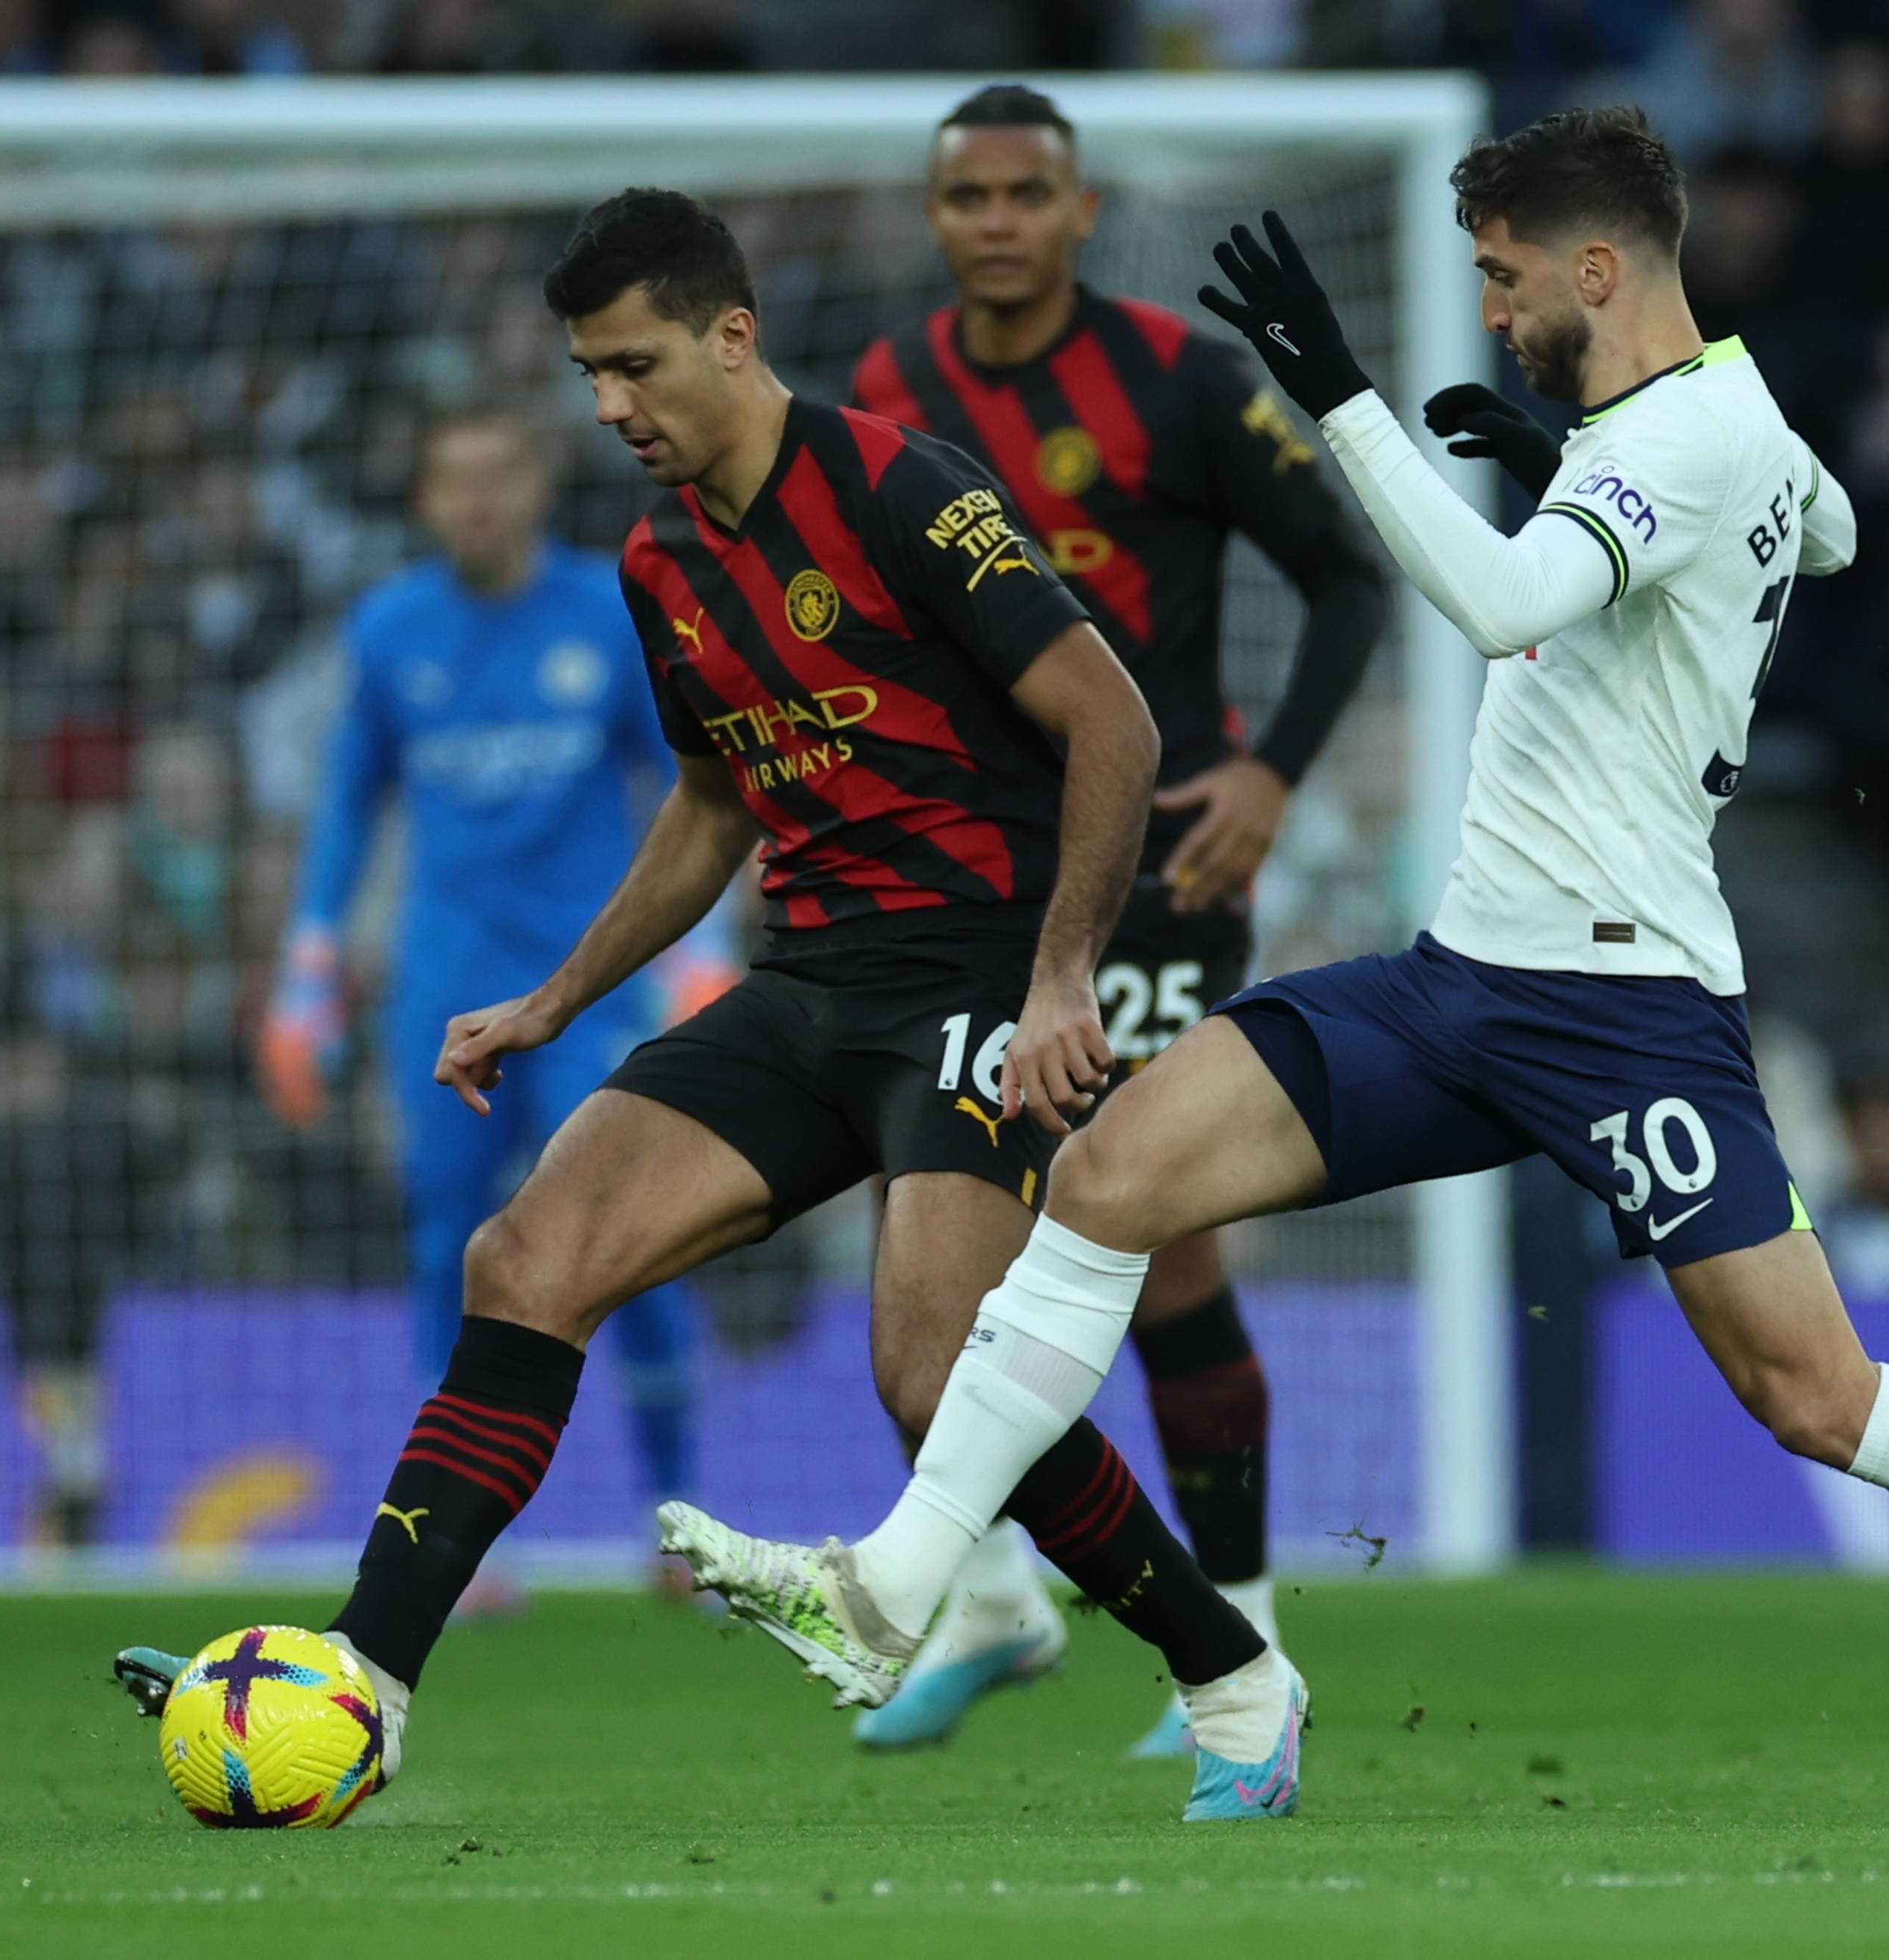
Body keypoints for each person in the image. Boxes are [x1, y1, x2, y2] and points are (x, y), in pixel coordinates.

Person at [672, 107, 1889, 1824]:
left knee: (1813, 1392)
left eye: (1500, 274)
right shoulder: (1730, 420)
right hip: (1463, 979)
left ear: (1596, 267)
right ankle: (900, 1586)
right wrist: (1572, 439)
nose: (1485, 304)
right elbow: (1828, 529)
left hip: (1625, 1007)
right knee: (1104, 1180)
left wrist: (1346, 399)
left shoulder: (1688, 439)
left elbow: (1492, 600)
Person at [114, 187, 1279, 1823]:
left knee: (936, 1374)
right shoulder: (658, 561)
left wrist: (1062, 973)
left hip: (970, 979)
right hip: (808, 981)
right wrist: (552, 996)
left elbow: (1118, 723)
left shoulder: (899, 487)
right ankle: (364, 1683)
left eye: (636, 365)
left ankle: (1232, 1673)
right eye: (590, 373)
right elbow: (712, 806)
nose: (610, 406)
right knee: (521, 1260)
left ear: (733, 335)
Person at [842, 82, 1388, 1757]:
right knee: (933, 1240)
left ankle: (1246, 1633)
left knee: (1144, 1238)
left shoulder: (1178, 377)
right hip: (958, 880)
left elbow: (1346, 570)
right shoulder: (886, 394)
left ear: (1080, 212)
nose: (996, 220)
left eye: (1027, 193)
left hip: (1154, 872)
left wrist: (1273, 775)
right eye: (967, 196)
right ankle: (1001, 1604)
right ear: (934, 218)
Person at [254, 407, 715, 1576]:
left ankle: (674, 1515)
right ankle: (451, 1544)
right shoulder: (391, 628)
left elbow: (687, 782)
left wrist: (702, 955)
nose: (474, 498)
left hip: (587, 993)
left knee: (631, 1242)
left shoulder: (609, 611)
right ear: (421, 498)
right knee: (445, 1249)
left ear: (535, 483)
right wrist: (309, 967)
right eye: (449, 477)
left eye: (494, 471)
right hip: (444, 994)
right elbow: (351, 806)